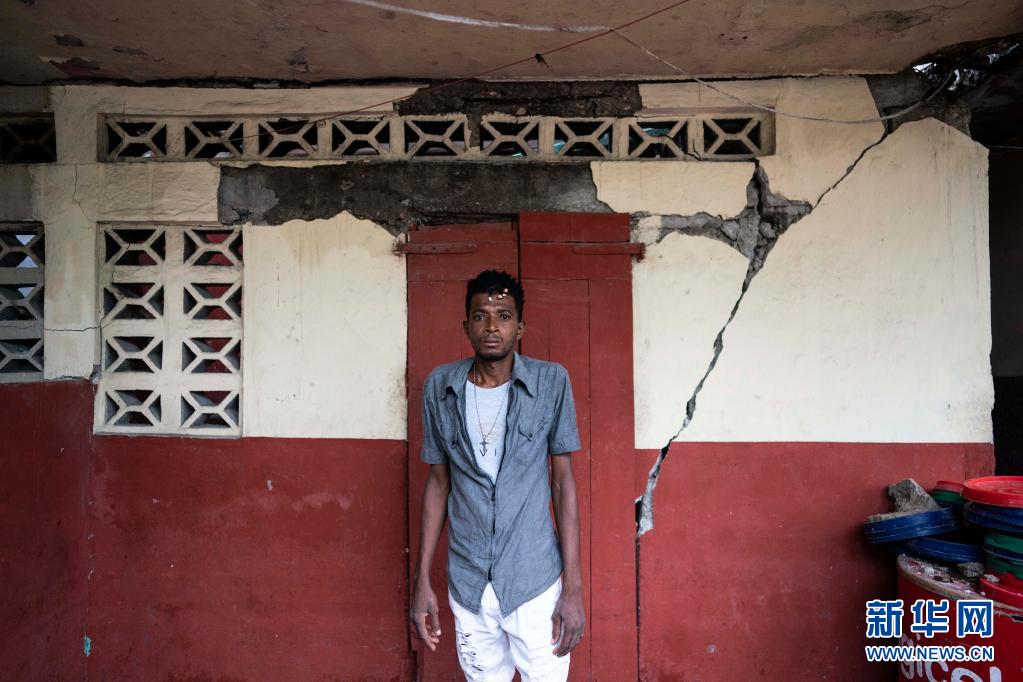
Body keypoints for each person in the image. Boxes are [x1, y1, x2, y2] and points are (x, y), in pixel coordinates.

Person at [410, 269, 585, 681]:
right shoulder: (440, 387)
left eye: (504, 316)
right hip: (468, 579)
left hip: (534, 578)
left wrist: (573, 586)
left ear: (519, 327)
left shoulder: (551, 382)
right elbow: (438, 483)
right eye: (480, 316)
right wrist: (422, 580)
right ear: (466, 326)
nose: (492, 327)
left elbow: (563, 483)